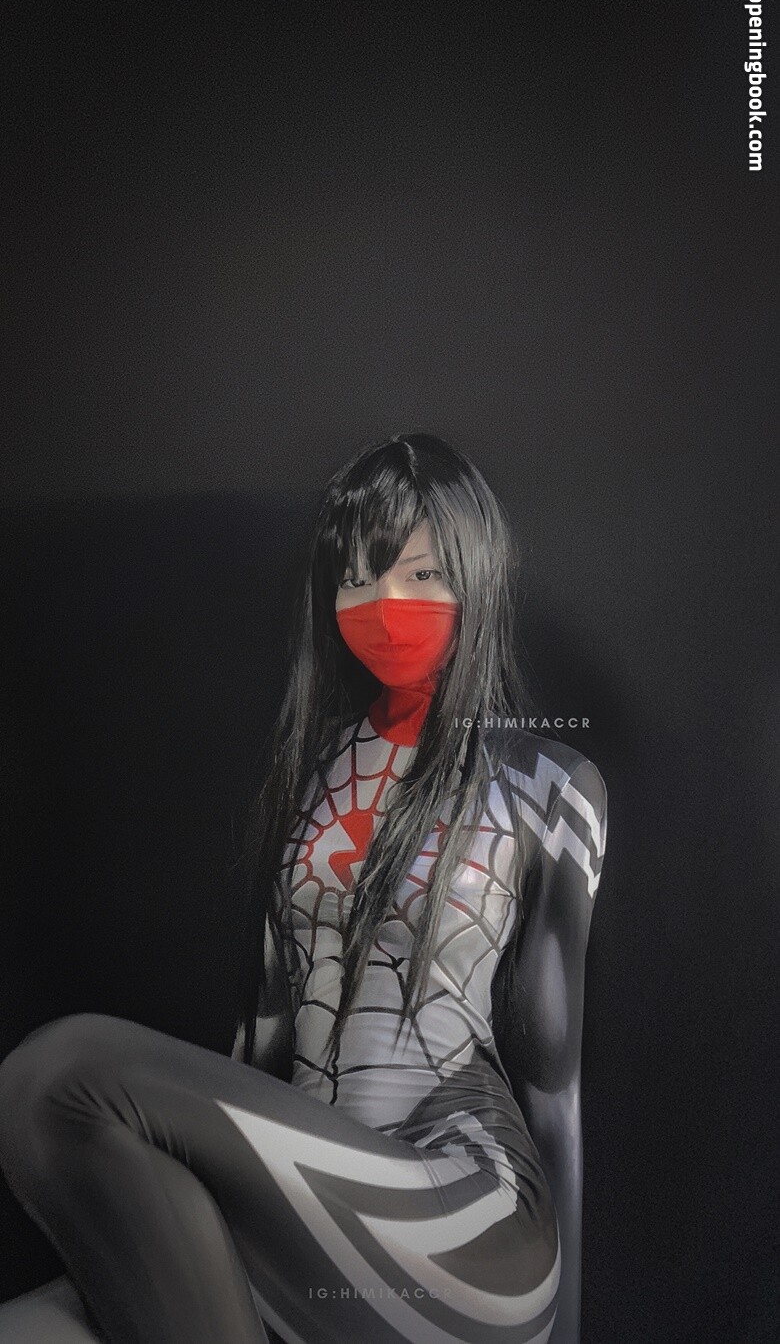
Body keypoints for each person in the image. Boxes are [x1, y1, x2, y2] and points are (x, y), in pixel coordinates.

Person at [0, 432, 607, 1344]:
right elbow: (264, 1043)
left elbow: (554, 1087)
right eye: (357, 578)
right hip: (307, 1216)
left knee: (55, 1077)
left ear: (476, 578)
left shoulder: (549, 785)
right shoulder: (308, 776)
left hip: (468, 1217)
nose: (384, 605)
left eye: (421, 574)